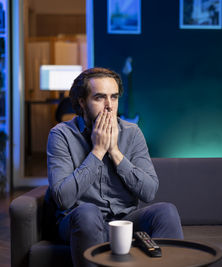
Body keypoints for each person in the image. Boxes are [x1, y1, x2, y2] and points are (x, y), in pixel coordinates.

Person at [47, 67, 183, 267]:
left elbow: (149, 192)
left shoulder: (132, 133)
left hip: (125, 219)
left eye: (114, 97)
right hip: (79, 219)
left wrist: (115, 152)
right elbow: (62, 199)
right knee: (88, 213)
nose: (109, 106)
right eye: (100, 98)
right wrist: (98, 151)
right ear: (82, 102)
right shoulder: (61, 135)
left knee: (166, 211)